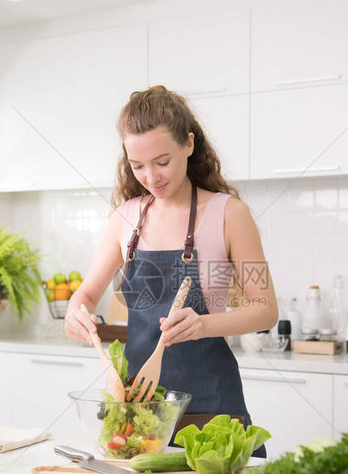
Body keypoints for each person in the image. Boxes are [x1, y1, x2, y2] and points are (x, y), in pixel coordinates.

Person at [65, 85, 278, 452]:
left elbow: (265, 310)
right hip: (140, 411)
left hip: (212, 409)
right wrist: (75, 311)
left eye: (162, 161)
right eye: (138, 166)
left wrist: (203, 324)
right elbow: (86, 294)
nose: (151, 176)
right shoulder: (125, 218)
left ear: (189, 145)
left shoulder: (228, 214)